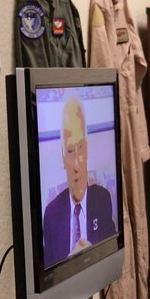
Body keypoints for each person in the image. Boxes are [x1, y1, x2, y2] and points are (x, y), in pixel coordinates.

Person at [41, 94, 116, 264]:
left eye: (80, 148)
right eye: (69, 151)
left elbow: (110, 259)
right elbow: (50, 279)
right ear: (62, 157)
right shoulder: (51, 214)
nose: (76, 165)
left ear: (87, 150)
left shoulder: (103, 200)